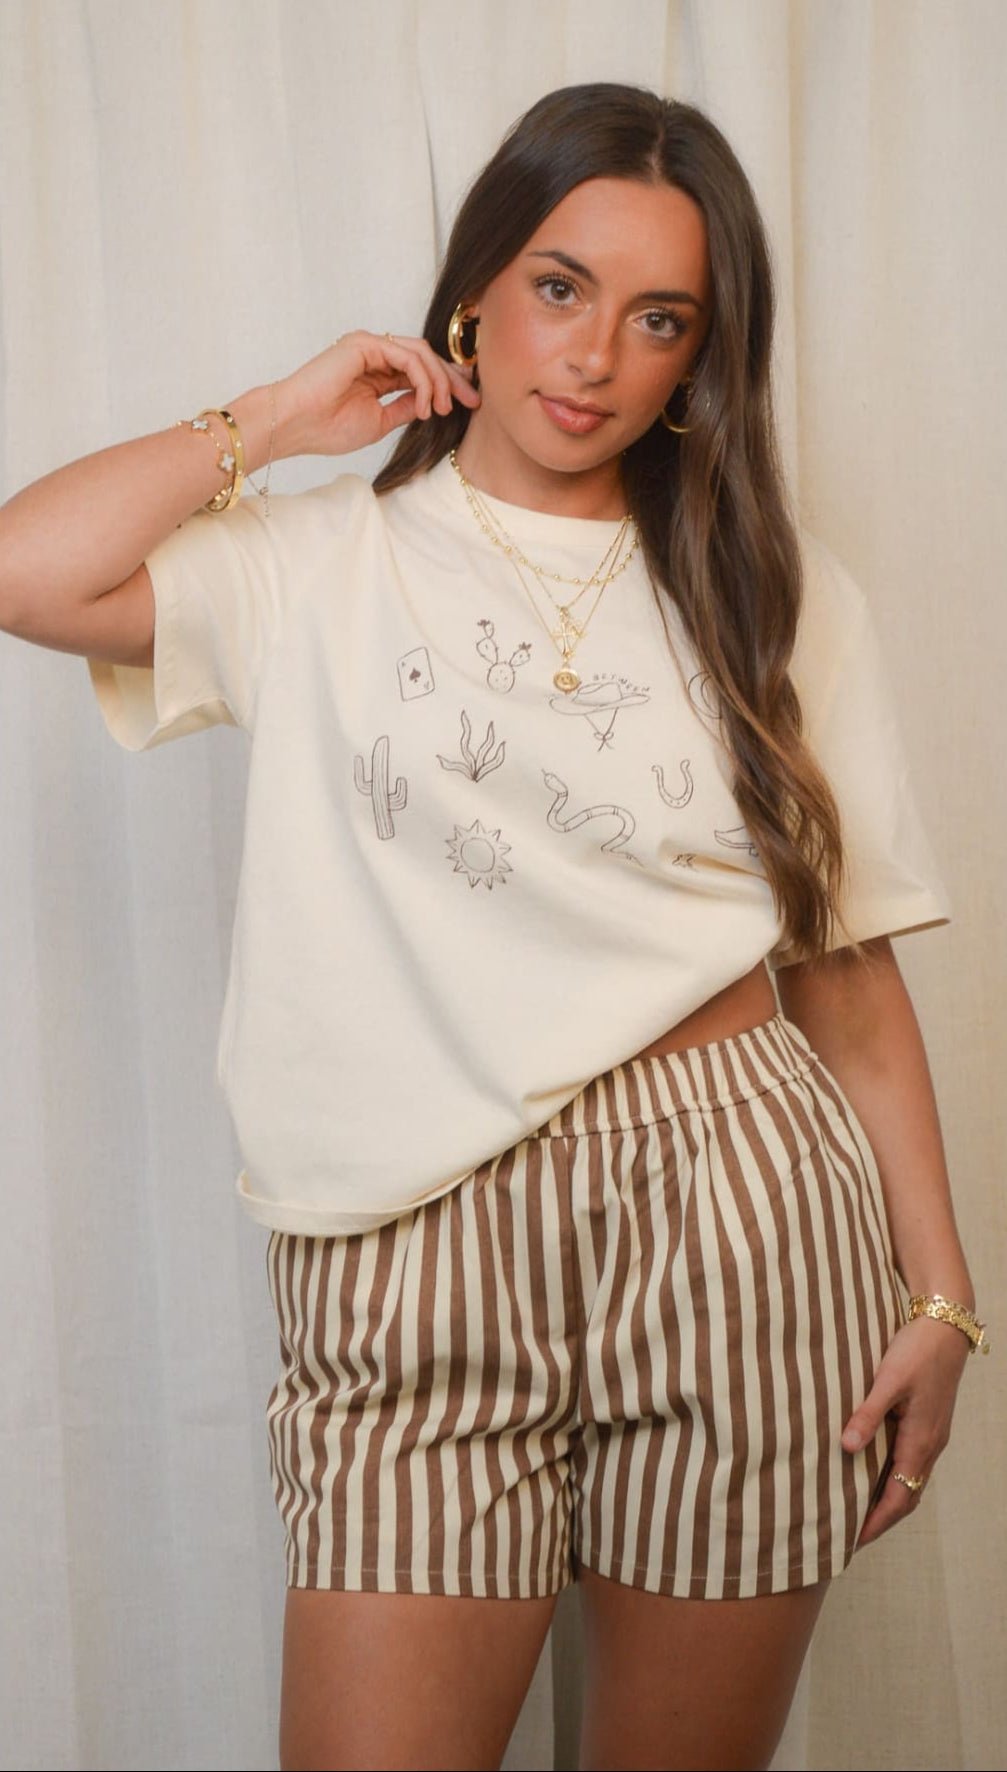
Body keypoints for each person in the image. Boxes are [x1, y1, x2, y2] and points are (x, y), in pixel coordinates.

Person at [0, 80, 987, 1772]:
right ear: (476, 289)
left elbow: (845, 967)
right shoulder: (312, 566)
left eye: (656, 317)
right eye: (556, 284)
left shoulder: (777, 591)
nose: (594, 355)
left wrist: (945, 1296)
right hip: (408, 1236)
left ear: (699, 358)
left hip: (734, 1204)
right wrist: (271, 417)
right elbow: (29, 571)